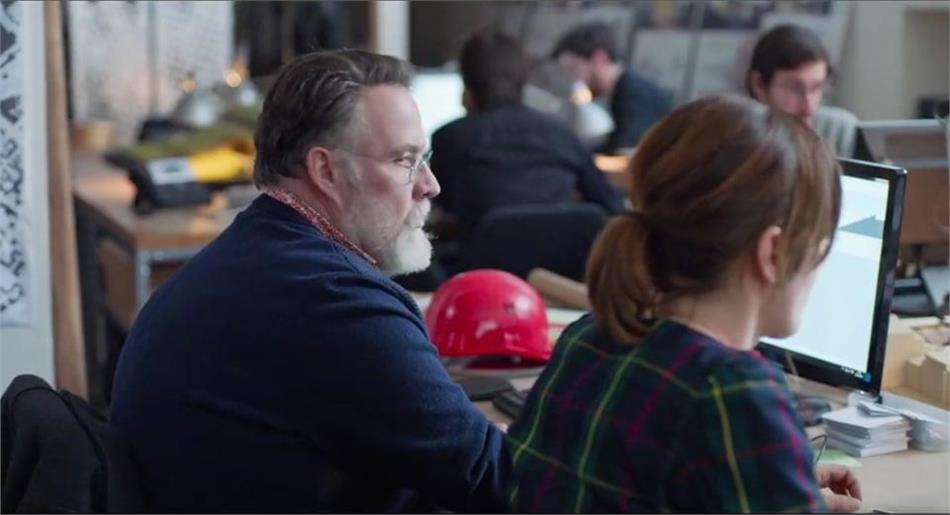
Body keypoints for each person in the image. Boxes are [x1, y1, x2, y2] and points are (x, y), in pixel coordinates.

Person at [111, 50, 509, 513]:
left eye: (425, 158)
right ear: (326, 171)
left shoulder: (260, 256)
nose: (430, 184)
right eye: (404, 160)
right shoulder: (333, 301)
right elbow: (499, 480)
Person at [506, 95, 863, 513]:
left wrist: (785, 485)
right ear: (773, 252)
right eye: (821, 247)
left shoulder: (588, 336)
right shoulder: (732, 389)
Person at [430, 30, 623, 242]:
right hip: (563, 260)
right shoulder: (560, 132)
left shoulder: (449, 138)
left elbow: (440, 208)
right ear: (524, 81)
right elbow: (610, 204)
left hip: (485, 260)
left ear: (467, 85)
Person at [552, 21, 673, 153]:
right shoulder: (622, 91)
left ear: (600, 59)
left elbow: (625, 152)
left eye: (574, 69)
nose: (573, 79)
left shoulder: (635, 94)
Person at [746, 23, 859, 157]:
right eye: (794, 88)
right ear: (758, 85)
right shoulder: (736, 143)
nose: (809, 109)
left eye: (816, 87)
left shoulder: (840, 131)